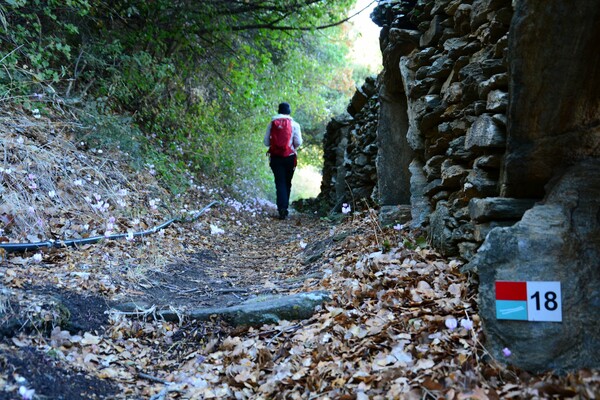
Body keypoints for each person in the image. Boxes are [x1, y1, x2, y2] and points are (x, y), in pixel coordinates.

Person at [264, 102, 303, 220]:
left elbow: (266, 142)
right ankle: (284, 207)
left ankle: (282, 208)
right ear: (289, 112)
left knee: (279, 182)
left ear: (278, 111)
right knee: (287, 182)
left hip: (275, 157)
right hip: (290, 157)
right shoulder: (295, 124)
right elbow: (298, 142)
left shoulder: (272, 124)